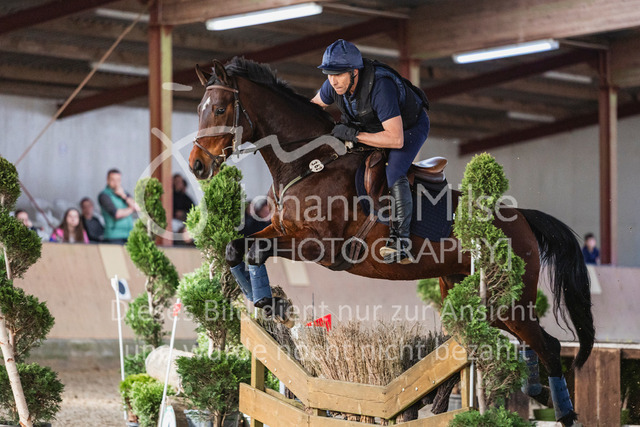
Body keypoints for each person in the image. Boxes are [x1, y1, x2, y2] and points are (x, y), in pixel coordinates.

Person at [311, 39, 430, 264]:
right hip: (373, 127)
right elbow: (312, 108)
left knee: (393, 171)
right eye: (329, 74)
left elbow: (395, 139)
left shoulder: (380, 87)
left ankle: (401, 242)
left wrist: (354, 135)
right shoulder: (333, 85)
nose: (333, 81)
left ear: (354, 72)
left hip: (408, 128)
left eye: (338, 74)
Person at [98, 169, 139, 244]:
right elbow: (116, 214)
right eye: (113, 180)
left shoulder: (124, 193)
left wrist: (124, 196)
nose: (116, 183)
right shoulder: (104, 195)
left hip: (129, 234)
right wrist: (132, 208)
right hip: (114, 236)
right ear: (107, 180)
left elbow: (138, 208)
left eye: (118, 180)